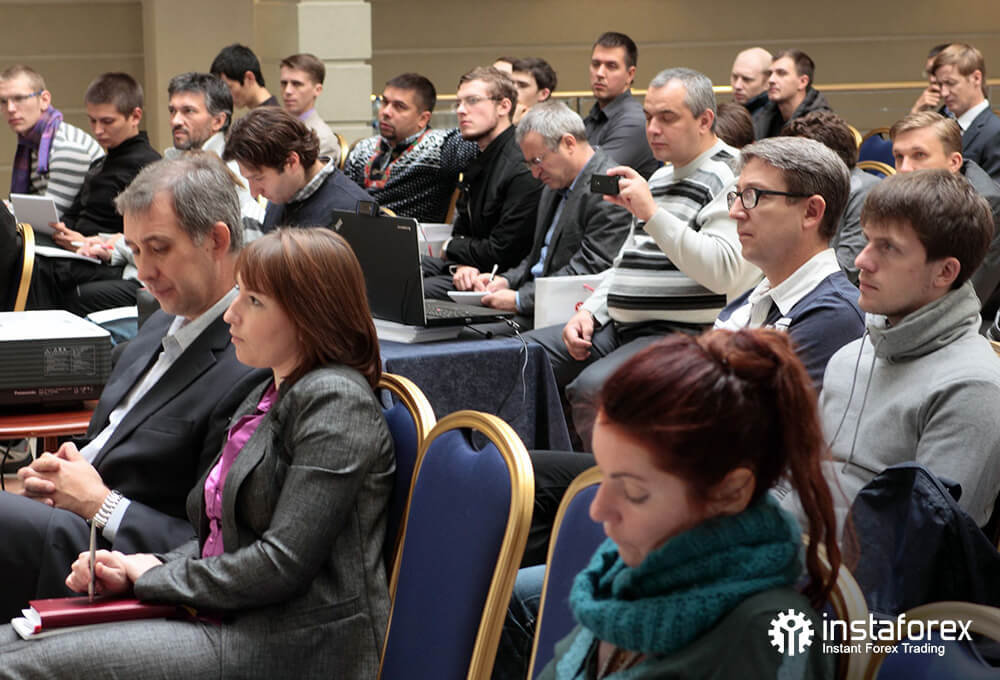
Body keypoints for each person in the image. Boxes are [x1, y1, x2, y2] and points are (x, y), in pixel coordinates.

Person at [0, 227, 395, 679]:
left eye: (253, 301)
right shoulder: (270, 392)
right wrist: (145, 564)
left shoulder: (336, 403)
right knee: (10, 642)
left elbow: (281, 563)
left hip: (291, 645)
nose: (231, 314)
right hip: (230, 616)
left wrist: (154, 578)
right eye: (239, 293)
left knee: (15, 665)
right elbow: (224, 537)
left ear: (308, 315)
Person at [0, 154, 266, 621]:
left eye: (158, 249)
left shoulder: (251, 361)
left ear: (217, 240)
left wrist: (100, 503)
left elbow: (213, 547)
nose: (143, 271)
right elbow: (116, 436)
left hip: (114, 561)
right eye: (135, 251)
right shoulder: (161, 319)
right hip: (68, 520)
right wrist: (68, 466)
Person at [525, 329, 839, 679]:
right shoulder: (624, 571)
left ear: (730, 492)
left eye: (634, 492)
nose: (598, 510)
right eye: (605, 476)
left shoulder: (767, 639)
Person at [527, 68, 760, 448]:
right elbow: (625, 264)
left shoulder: (733, 175)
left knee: (594, 389)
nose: (652, 129)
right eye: (649, 116)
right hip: (618, 325)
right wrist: (589, 312)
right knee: (521, 358)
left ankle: (593, 482)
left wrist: (652, 213)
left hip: (681, 333)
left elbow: (723, 272)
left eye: (667, 118)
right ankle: (528, 471)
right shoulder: (659, 178)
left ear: (705, 120)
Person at [787, 170, 1000, 530]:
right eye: (867, 240)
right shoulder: (849, 356)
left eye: (888, 248)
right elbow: (800, 478)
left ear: (945, 272)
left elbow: (923, 539)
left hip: (854, 563)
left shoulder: (973, 388)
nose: (861, 261)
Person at [716, 136, 865, 388]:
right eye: (738, 195)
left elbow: (744, 411)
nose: (735, 212)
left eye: (753, 195)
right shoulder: (746, 303)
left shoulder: (835, 316)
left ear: (811, 212)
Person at [473, 101, 632, 327]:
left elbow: (588, 270)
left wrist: (520, 300)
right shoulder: (554, 182)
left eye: (537, 161)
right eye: (529, 164)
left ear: (569, 143)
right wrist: (506, 281)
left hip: (568, 315)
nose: (535, 174)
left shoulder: (608, 187)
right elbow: (539, 257)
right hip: (534, 300)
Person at [422, 66, 542, 299]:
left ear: (504, 106)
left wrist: (450, 248)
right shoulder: (480, 156)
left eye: (472, 101)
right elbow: (463, 228)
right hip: (470, 266)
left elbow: (503, 252)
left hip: (498, 279)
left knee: (413, 290)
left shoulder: (521, 166)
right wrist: (462, 264)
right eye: (458, 103)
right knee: (399, 266)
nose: (461, 110)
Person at [889, 111, 1000, 322]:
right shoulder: (912, 193)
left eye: (919, 155)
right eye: (899, 157)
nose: (904, 169)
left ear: (954, 162)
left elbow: (965, 299)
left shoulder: (987, 206)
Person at [344, 72, 477, 223]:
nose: (386, 112)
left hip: (412, 234)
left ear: (423, 119)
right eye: (384, 102)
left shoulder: (442, 146)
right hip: (357, 230)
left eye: (399, 107)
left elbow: (486, 143)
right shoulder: (362, 148)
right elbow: (343, 199)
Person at [222, 106, 372, 231]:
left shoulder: (352, 213)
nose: (254, 192)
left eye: (258, 178)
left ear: (292, 162)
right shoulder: (283, 194)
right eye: (248, 179)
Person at [781, 110, 881, 284]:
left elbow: (846, 271)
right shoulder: (803, 190)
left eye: (801, 156)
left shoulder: (866, 192)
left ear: (832, 158)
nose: (791, 165)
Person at [0, 64, 103, 216]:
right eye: (3, 101)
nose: (10, 108)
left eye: (19, 98)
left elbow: (49, 219)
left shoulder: (66, 146)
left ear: (44, 100)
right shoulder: (31, 146)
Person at [164, 72, 263, 222]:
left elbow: (252, 227)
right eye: (172, 111)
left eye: (188, 111)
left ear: (218, 121)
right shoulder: (170, 161)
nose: (175, 121)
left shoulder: (236, 170)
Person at [583, 32, 658, 179]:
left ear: (630, 74)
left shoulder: (635, 121)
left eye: (611, 66)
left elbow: (594, 178)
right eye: (596, 64)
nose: (600, 73)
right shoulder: (592, 118)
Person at [931, 43, 1000, 182]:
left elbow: (993, 192)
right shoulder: (942, 121)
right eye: (940, 85)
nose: (943, 93)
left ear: (976, 78)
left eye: (950, 83)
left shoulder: (995, 131)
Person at [753, 49, 832, 140]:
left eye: (781, 73)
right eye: (770, 73)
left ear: (802, 82)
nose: (771, 80)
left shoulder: (821, 125)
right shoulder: (762, 116)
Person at [279, 52, 341, 160]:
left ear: (317, 90)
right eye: (284, 83)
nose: (287, 91)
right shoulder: (272, 127)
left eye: (297, 84)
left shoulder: (323, 139)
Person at [210, 43, 278, 109]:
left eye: (229, 88)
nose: (226, 96)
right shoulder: (264, 112)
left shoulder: (270, 115)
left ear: (249, 78)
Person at [511, 56, 557, 124]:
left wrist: (514, 126)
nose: (512, 89)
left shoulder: (553, 125)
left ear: (543, 94)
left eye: (522, 85)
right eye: (510, 83)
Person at [730, 47, 773, 116]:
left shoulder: (778, 117)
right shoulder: (728, 114)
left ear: (767, 82)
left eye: (746, 79)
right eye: (735, 77)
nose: (737, 86)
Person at [910, 43, 951, 114]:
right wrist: (917, 110)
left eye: (936, 71)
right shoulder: (945, 112)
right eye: (929, 73)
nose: (932, 79)